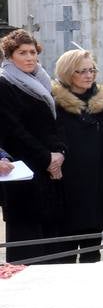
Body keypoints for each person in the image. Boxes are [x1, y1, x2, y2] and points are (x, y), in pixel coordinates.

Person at [0, 29, 65, 263]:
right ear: (9, 56)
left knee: (52, 246)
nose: (30, 57)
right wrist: (47, 159)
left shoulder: (41, 80)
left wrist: (59, 154)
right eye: (22, 53)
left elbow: (52, 124)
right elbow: (13, 131)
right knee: (28, 247)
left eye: (32, 52)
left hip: (49, 174)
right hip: (23, 175)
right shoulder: (4, 84)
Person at [50, 50, 103, 263]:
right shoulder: (56, 105)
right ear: (68, 73)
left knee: (92, 250)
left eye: (92, 70)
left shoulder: (102, 103)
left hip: (98, 185)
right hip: (68, 186)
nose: (89, 75)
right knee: (66, 251)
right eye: (82, 71)